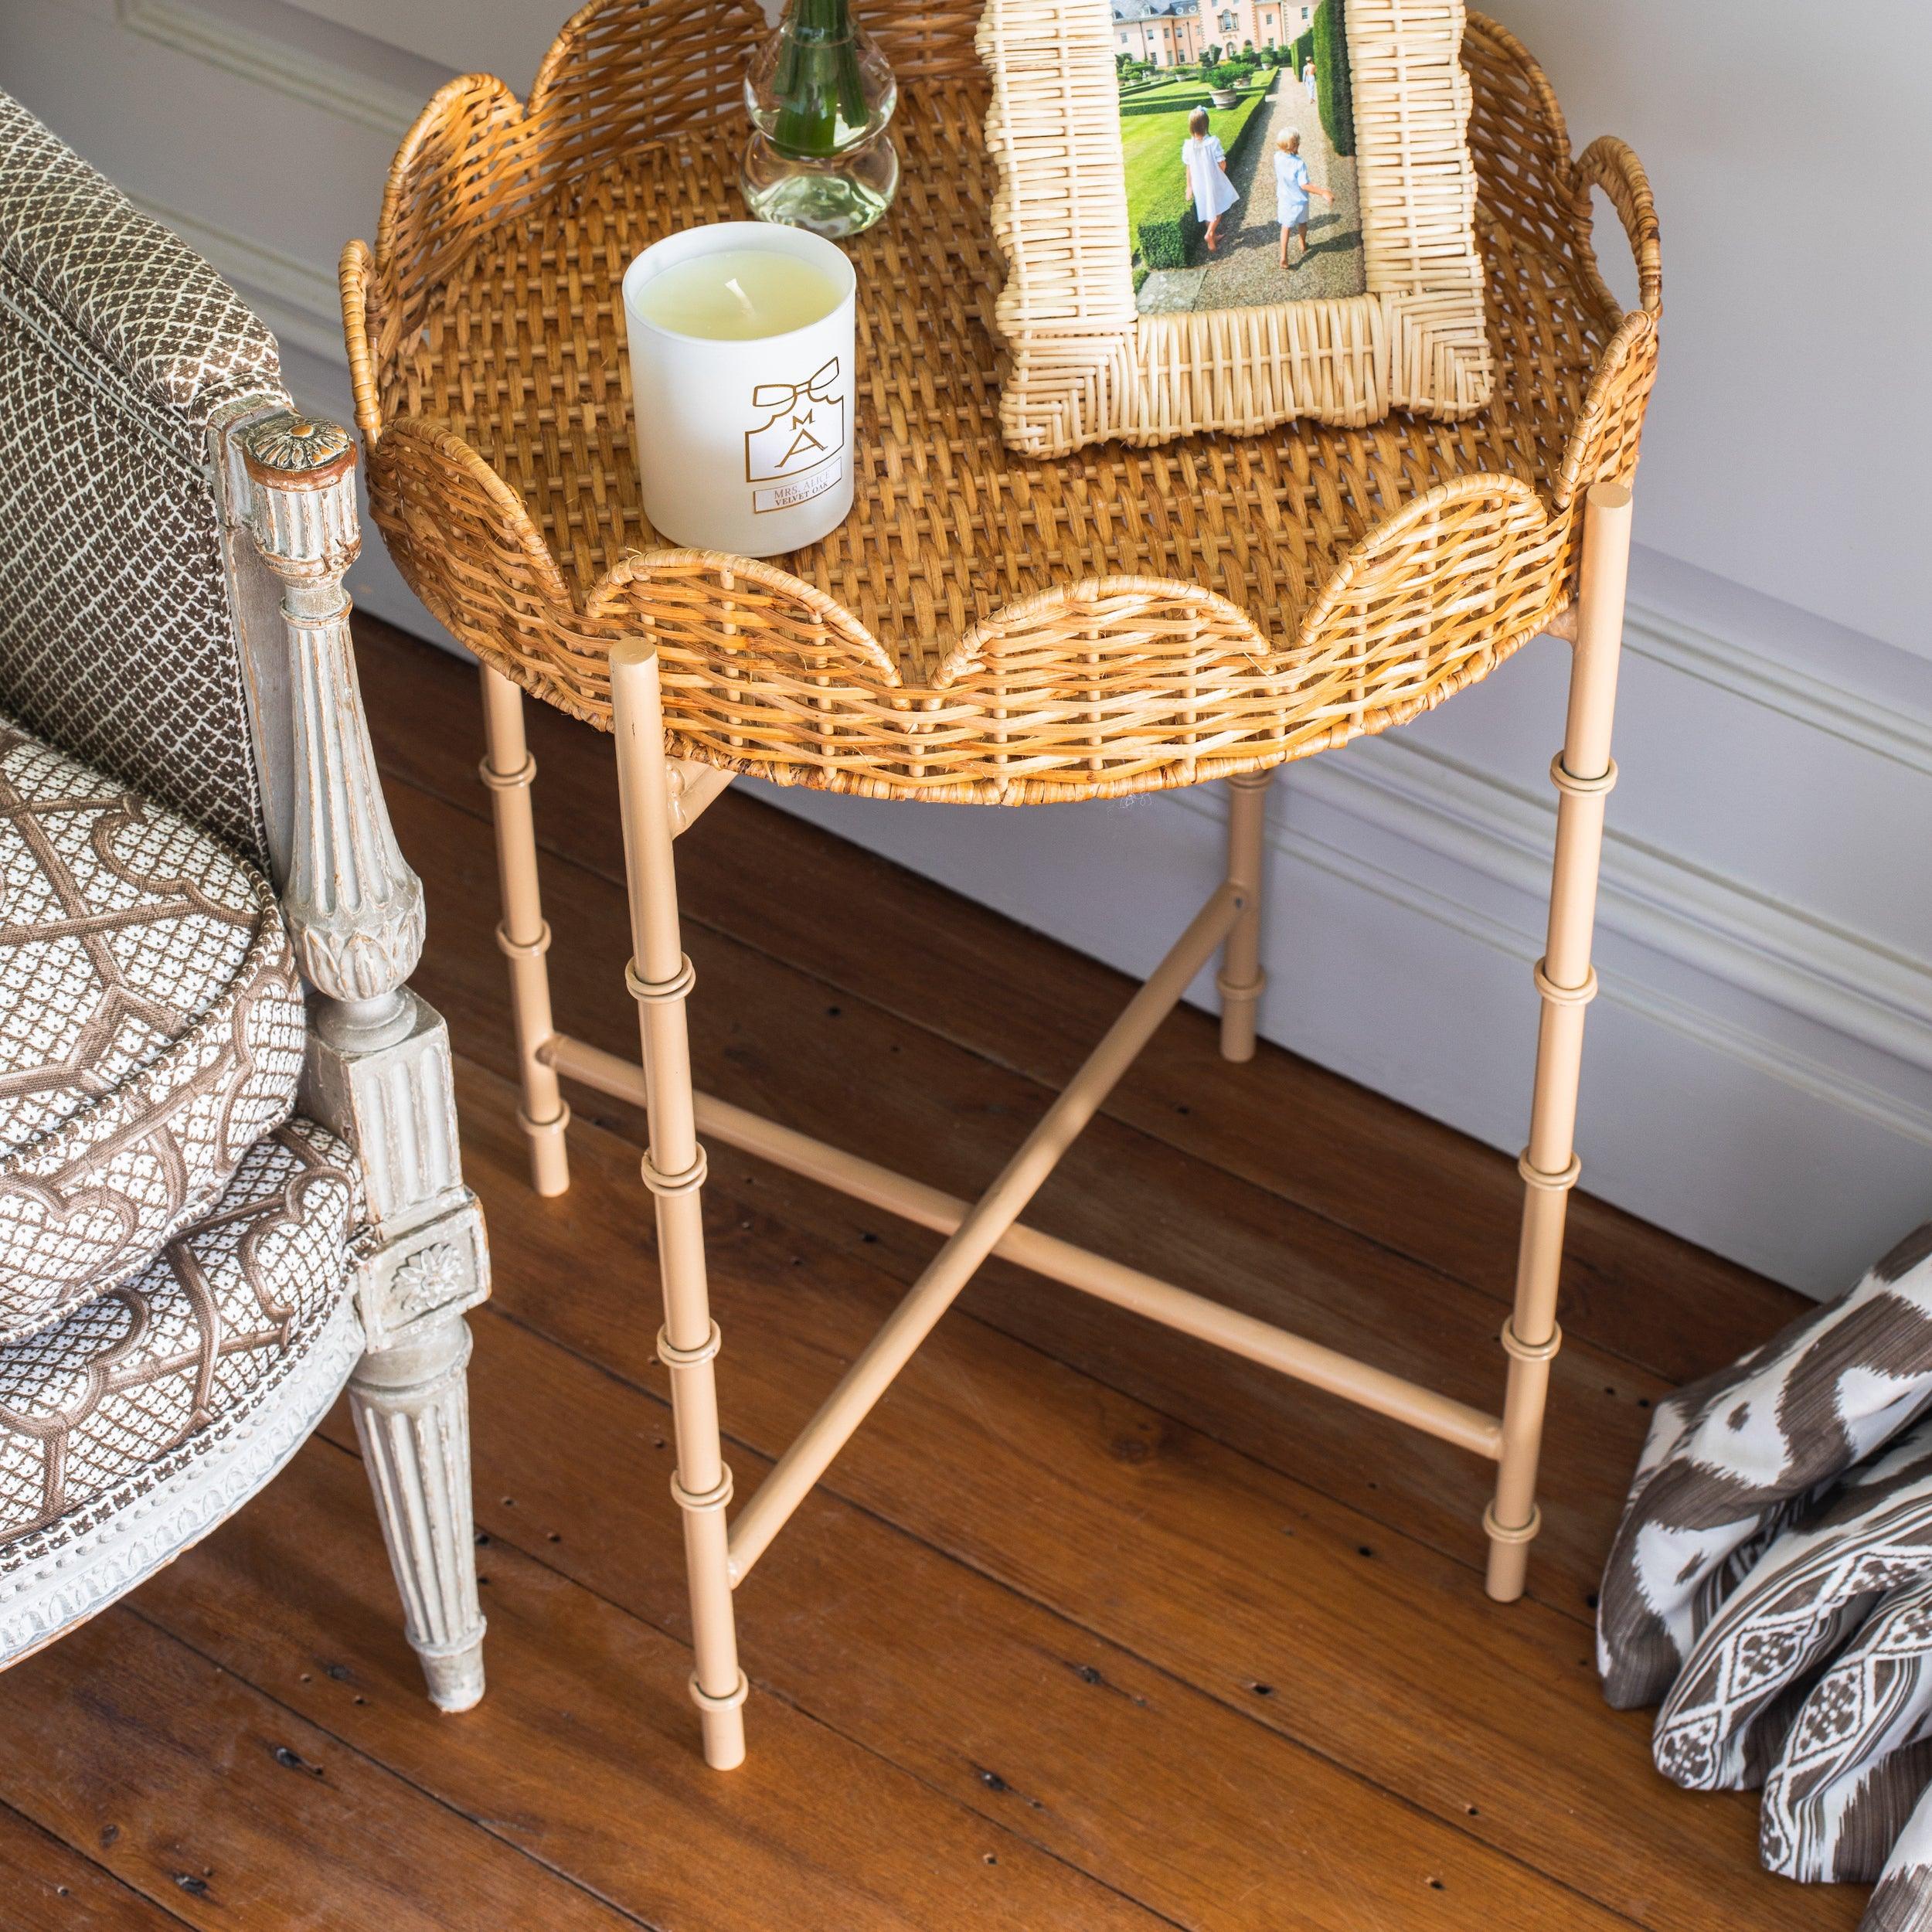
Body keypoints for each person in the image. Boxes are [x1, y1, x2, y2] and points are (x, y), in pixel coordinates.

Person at [1181, 107, 1239, 253]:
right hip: (1213, 181)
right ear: (1206, 124)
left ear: (1191, 126)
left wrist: (1189, 186)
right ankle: (1210, 233)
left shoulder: (1188, 145)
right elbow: (1222, 163)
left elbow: (1188, 168)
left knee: (1207, 208)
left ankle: (1212, 238)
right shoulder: (1213, 142)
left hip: (1198, 183)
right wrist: (1219, 176)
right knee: (1218, 208)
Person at [1274, 128, 1332, 267]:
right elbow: (1304, 185)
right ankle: (1303, 243)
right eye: (1298, 143)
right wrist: (1323, 192)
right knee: (1303, 223)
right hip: (1300, 201)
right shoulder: (1299, 164)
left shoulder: (1277, 157)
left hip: (1285, 200)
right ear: (1295, 145)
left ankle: (1283, 257)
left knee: (1285, 228)